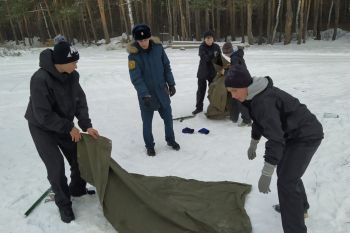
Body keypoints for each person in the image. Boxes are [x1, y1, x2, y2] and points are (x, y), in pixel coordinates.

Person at [225, 65, 324, 233]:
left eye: (235, 91)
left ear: (245, 85)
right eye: (230, 92)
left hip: (306, 135)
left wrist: (266, 171)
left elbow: (276, 138)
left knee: (286, 180)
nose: (233, 96)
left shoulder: (264, 101)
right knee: (288, 173)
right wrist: (254, 142)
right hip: (291, 134)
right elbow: (258, 121)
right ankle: (301, 208)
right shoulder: (251, 95)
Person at [25, 40, 99, 223]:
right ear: (60, 62)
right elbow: (43, 115)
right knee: (56, 167)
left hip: (64, 124)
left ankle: (77, 189)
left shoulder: (73, 76)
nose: (76, 65)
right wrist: (69, 127)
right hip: (42, 128)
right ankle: (64, 205)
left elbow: (79, 102)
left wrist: (86, 125)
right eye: (73, 61)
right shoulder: (39, 79)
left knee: (78, 157)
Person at [127, 24, 180, 156]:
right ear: (136, 40)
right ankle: (149, 146)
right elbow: (136, 78)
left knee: (168, 117)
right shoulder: (133, 56)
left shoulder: (158, 48)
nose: (143, 43)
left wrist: (171, 83)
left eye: (145, 39)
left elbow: (166, 66)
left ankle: (170, 140)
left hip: (162, 90)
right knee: (147, 123)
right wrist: (144, 95)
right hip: (147, 95)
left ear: (150, 37)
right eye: (140, 40)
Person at [222, 42, 251, 126]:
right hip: (241, 79)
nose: (225, 55)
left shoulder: (234, 58)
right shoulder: (236, 55)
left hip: (241, 81)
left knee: (240, 101)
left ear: (229, 51)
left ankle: (247, 120)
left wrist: (225, 71)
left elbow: (235, 70)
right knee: (235, 100)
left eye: (226, 53)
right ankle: (234, 117)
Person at [192, 30, 221, 115]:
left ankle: (214, 106)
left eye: (210, 38)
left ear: (213, 39)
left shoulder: (216, 46)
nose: (209, 40)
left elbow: (219, 59)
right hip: (203, 72)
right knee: (201, 90)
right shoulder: (202, 47)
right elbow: (205, 58)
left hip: (213, 72)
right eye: (207, 39)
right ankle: (199, 107)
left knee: (213, 91)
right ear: (204, 39)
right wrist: (213, 55)